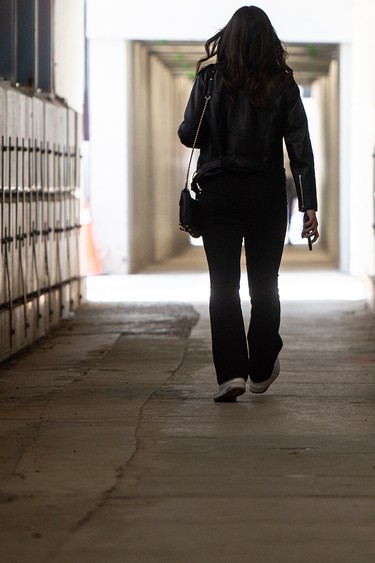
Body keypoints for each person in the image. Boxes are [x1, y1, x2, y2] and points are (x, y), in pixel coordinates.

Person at [178, 5, 319, 402]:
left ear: (229, 39)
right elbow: (299, 147)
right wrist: (308, 205)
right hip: (266, 193)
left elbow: (190, 135)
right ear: (268, 42)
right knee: (264, 285)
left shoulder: (209, 79)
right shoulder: (283, 84)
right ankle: (260, 366)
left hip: (218, 191)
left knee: (222, 285)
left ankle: (231, 375)